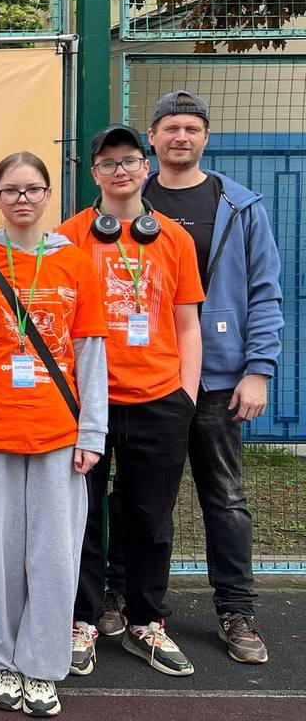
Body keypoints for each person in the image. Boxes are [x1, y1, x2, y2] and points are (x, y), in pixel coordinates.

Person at [0, 151, 108, 718]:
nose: (22, 199)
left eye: (32, 189)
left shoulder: (75, 262)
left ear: (48, 194)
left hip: (59, 434)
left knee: (55, 557)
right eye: (10, 190)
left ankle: (43, 666)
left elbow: (90, 353)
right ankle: (3, 662)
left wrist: (93, 431)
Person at [143, 90, 283, 664]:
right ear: (152, 137)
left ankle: (236, 611)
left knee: (224, 498)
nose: (181, 136)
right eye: (170, 127)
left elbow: (265, 292)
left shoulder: (240, 206)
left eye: (192, 128)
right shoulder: (129, 200)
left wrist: (259, 370)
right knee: (140, 498)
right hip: (149, 376)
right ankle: (130, 603)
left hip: (220, 380)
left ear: (205, 138)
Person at [59, 124, 204, 678]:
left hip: (159, 400)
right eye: (107, 162)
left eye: (128, 160)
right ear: (94, 174)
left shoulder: (175, 240)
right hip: (87, 404)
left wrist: (185, 396)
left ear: (146, 167)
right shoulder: (69, 238)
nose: (119, 170)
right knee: (82, 518)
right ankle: (82, 620)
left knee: (151, 520)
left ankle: (147, 621)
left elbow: (187, 324)